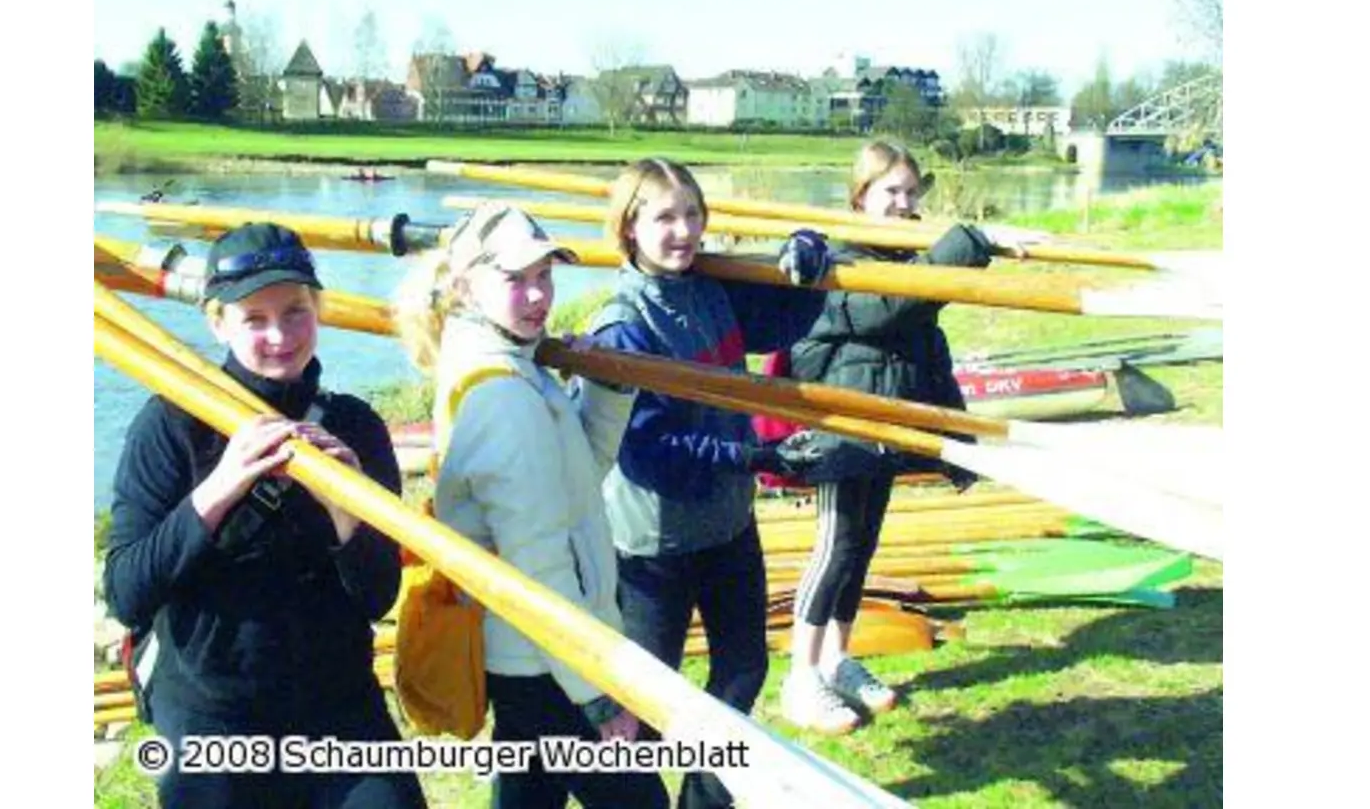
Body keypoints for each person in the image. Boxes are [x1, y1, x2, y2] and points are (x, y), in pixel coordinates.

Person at [104, 223, 427, 809]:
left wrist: (345, 508)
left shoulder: (354, 426)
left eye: (296, 311)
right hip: (212, 709)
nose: (279, 335)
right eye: (254, 318)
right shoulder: (171, 423)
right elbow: (126, 593)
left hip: (336, 705)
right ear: (217, 323)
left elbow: (379, 597)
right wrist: (223, 485)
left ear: (318, 309)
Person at [395, 203, 669, 809]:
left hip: (528, 653)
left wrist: (609, 387)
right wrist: (596, 693)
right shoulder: (502, 395)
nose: (538, 295)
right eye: (515, 279)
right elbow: (538, 567)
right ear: (466, 286)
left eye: (545, 276)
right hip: (548, 661)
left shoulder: (517, 364)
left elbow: (574, 484)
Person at [586, 158, 832, 809]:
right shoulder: (623, 323)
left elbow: (784, 322)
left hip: (728, 524)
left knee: (744, 666)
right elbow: (652, 453)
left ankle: (705, 798)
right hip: (653, 545)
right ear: (629, 226)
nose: (683, 231)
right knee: (643, 706)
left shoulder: (711, 286)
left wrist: (808, 260)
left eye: (693, 213)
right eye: (665, 216)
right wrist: (755, 456)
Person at [775, 140, 1035, 734]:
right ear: (860, 195)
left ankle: (838, 659)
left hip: (887, 422)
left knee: (863, 546)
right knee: (835, 546)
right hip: (843, 421)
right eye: (891, 191)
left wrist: (956, 441)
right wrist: (970, 243)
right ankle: (800, 677)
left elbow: (927, 355)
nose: (904, 203)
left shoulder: (907, 253)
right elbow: (885, 309)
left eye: (912, 192)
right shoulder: (836, 256)